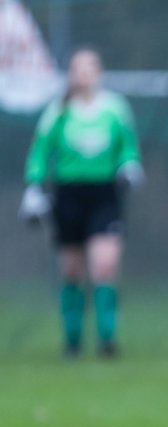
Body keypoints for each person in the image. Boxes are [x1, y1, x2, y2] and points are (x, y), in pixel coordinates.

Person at [19, 47, 143, 358]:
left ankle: (107, 341)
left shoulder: (115, 108)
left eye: (89, 68)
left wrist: (130, 164)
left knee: (105, 265)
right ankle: (72, 342)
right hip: (69, 194)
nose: (83, 74)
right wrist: (34, 187)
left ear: (98, 73)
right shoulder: (58, 112)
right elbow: (40, 152)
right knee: (72, 270)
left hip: (104, 194)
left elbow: (127, 146)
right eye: (77, 68)